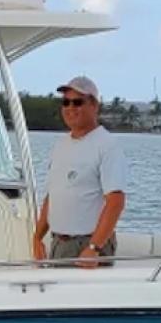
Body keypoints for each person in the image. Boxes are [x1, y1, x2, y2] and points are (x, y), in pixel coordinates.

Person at [32, 75, 128, 268]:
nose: (70, 108)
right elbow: (52, 197)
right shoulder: (61, 145)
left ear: (94, 106)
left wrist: (94, 247)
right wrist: (37, 238)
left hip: (88, 246)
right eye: (66, 102)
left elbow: (115, 202)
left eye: (77, 102)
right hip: (59, 244)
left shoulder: (107, 145)